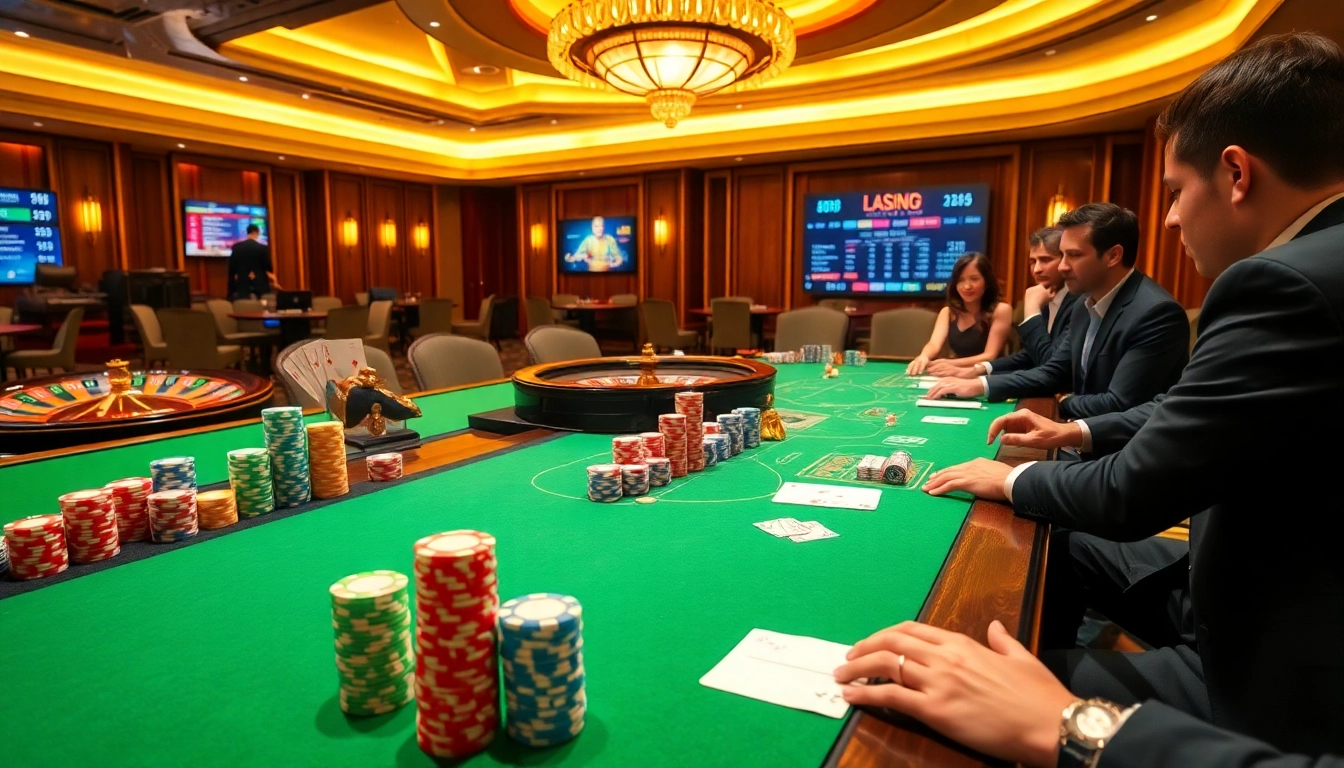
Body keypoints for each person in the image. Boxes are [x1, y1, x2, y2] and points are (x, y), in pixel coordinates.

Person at [840, 32, 1344, 767]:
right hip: (1255, 585)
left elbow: (1136, 491)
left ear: (1236, 172)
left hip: (1273, 670)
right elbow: (1189, 411)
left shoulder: (1283, 282)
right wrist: (1068, 437)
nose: (1169, 220)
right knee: (1062, 549)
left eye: (1174, 192)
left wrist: (1066, 722)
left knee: (925, 701)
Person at [925, 204, 1188, 420]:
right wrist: (980, 384)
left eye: (1073, 255)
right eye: (1061, 255)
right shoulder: (1085, 304)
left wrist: (1060, 402)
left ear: (1113, 256)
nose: (1061, 267)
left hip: (1122, 457)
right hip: (1082, 438)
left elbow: (1119, 404)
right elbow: (1054, 372)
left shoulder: (1156, 313)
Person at [927, 227, 1076, 378]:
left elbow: (1050, 366)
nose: (1036, 269)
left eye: (1046, 260)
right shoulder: (1048, 301)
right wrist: (977, 371)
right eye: (1032, 262)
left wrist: (1031, 307)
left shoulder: (1078, 305)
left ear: (1065, 261)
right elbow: (1028, 357)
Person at [905, 252, 1012, 375]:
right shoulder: (948, 312)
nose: (967, 286)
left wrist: (949, 363)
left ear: (987, 281)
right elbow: (934, 344)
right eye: (960, 280)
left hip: (991, 378)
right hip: (958, 374)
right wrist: (924, 356)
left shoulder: (1001, 310)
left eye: (974, 279)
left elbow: (989, 356)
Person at [226, 224, 276, 300]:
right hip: (260, 285)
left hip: (242, 285)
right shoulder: (262, 248)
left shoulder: (236, 247)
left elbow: (232, 267)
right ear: (257, 232)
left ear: (248, 232)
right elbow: (268, 267)